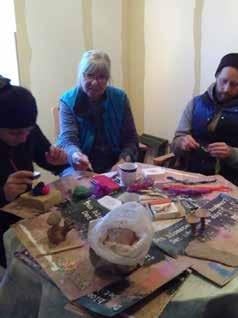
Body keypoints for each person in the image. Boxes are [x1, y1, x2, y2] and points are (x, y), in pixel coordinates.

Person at [0, 75, 68, 267]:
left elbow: (47, 157)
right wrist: (3, 193)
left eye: (27, 131)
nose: (23, 138)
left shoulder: (26, 127)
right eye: (14, 133)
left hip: (26, 214)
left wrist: (59, 161)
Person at [171, 53, 238, 186]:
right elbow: (175, 144)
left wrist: (231, 153)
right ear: (216, 75)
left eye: (234, 84)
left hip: (225, 185)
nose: (226, 89)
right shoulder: (196, 103)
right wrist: (181, 143)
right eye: (223, 81)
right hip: (187, 178)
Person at [57, 50, 139, 174]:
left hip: (114, 163)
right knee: (83, 189)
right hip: (78, 165)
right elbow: (68, 140)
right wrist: (76, 156)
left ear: (107, 78)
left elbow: (131, 139)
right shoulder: (67, 101)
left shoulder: (120, 98)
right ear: (81, 75)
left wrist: (123, 161)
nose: (95, 83)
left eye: (101, 77)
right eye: (89, 75)